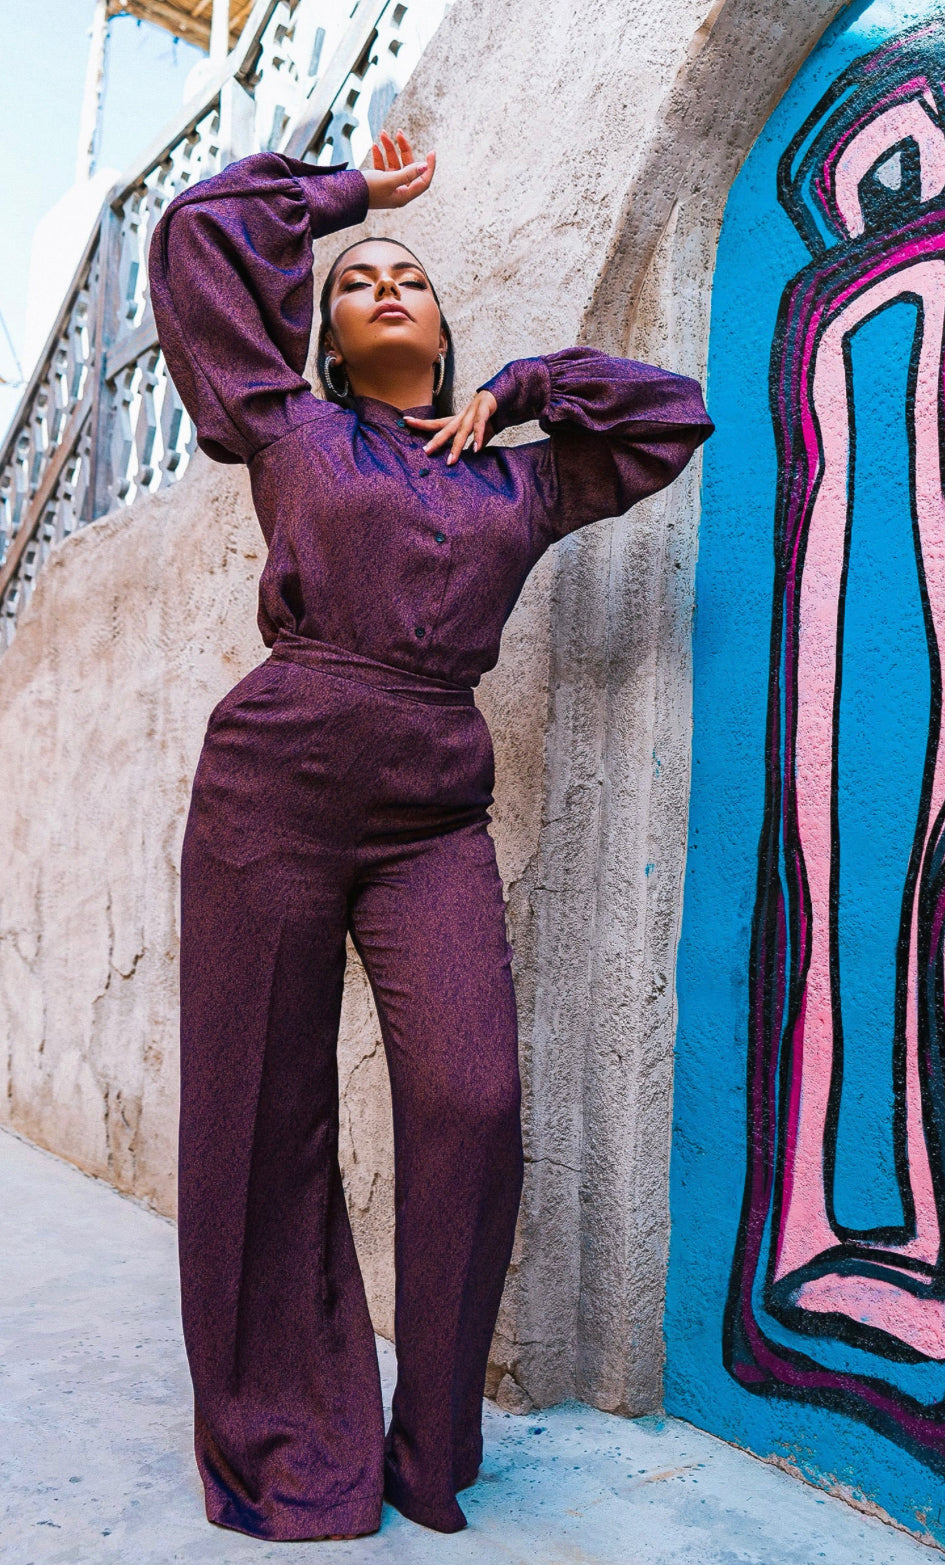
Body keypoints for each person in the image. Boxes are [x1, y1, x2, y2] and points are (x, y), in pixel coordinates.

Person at [148, 127, 713, 1543]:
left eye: (411, 277)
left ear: (449, 333)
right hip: (271, 786)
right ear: (326, 342)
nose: (386, 284)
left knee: (470, 1097)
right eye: (356, 283)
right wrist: (353, 196)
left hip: (430, 806)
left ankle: (429, 1444)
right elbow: (199, 234)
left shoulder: (518, 481)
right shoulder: (283, 421)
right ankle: (286, 1427)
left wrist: (525, 390)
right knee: (261, 1115)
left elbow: (668, 414)